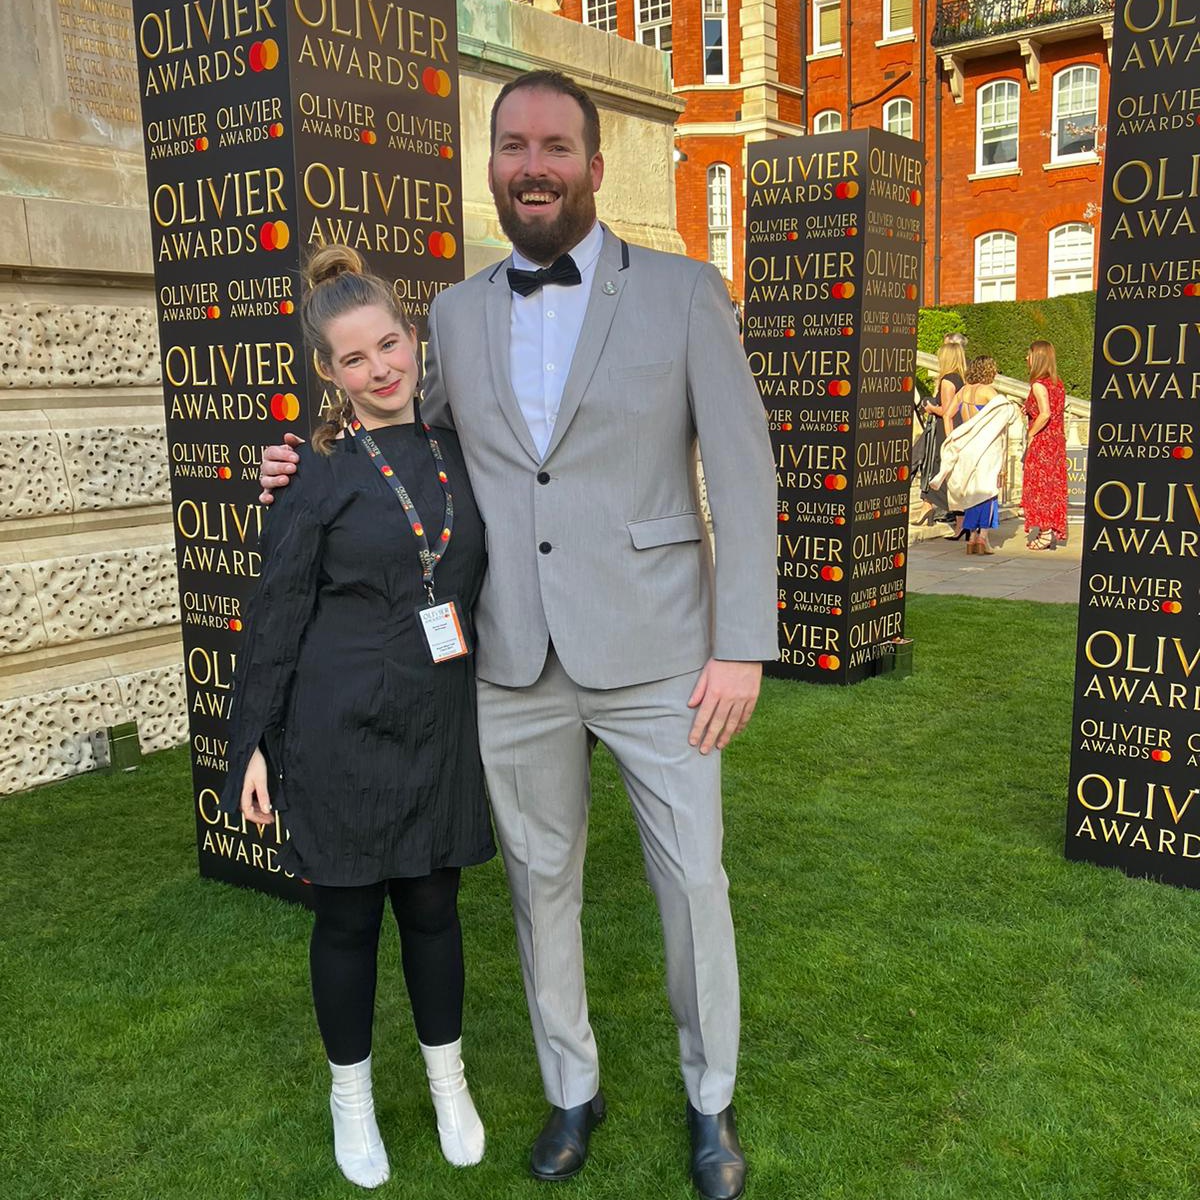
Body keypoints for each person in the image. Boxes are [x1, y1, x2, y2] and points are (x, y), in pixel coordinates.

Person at [262, 70, 776, 1200]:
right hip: (512, 660)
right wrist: (308, 463)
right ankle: (569, 1090)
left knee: (694, 885)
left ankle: (709, 1099)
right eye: (511, 146)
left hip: (662, 655)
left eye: (554, 145)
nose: (531, 163)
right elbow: (411, 442)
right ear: (490, 165)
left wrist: (741, 644)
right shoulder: (453, 313)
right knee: (542, 889)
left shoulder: (687, 293)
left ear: (593, 164)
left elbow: (743, 472)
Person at [224, 245, 494, 1189]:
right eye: (354, 359)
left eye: (389, 344)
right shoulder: (314, 470)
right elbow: (276, 609)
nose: (381, 368)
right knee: (346, 921)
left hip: (436, 722)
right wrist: (253, 742)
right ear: (328, 374)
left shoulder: (465, 454)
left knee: (432, 906)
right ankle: (352, 1100)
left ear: (411, 338)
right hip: (336, 731)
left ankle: (448, 1083)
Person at [934, 356, 1008, 555]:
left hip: (966, 446)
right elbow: (1003, 416)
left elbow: (948, 415)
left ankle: (972, 537)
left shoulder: (963, 390)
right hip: (986, 447)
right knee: (986, 491)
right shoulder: (989, 392)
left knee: (971, 492)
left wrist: (953, 437)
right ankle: (982, 538)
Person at [914, 333, 967, 532]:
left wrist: (930, 407)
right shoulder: (961, 378)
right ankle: (926, 507)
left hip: (946, 431)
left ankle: (958, 520)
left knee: (941, 469)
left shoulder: (947, 380)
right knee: (940, 470)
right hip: (956, 428)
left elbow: (946, 411)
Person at [1022, 340, 1068, 550]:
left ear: (1037, 358)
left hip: (1043, 442)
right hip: (1056, 441)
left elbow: (1045, 413)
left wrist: (1030, 433)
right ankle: (1049, 530)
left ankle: (1046, 531)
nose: (1026, 359)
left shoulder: (1038, 385)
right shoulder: (1057, 383)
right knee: (1053, 486)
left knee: (1039, 487)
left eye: (1029, 355)